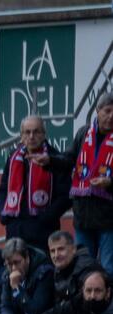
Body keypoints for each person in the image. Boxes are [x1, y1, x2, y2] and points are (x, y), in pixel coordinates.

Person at [0, 114, 72, 253]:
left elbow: (66, 196)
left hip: (42, 232)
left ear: (44, 134)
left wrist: (45, 219)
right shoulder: (13, 157)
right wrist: (3, 215)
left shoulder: (55, 158)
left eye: (36, 132)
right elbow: (3, 188)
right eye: (27, 132)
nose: (31, 136)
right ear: (21, 136)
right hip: (15, 230)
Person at [36, 231, 97, 314]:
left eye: (61, 249)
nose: (56, 255)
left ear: (73, 249)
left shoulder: (86, 267)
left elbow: (84, 305)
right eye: (52, 251)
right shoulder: (59, 269)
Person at [69, 93, 113, 275]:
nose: (111, 116)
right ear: (97, 110)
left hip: (109, 218)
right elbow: (68, 159)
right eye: (107, 111)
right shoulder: (83, 134)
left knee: (109, 268)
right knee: (83, 268)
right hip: (83, 216)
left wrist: (110, 183)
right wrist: (50, 160)